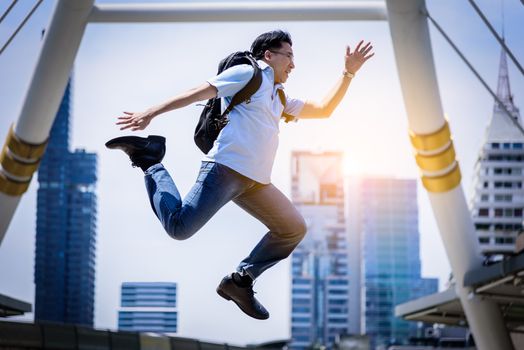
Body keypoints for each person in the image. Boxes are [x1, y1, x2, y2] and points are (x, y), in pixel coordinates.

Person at [106, 30, 373, 320]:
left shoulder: (278, 95)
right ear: (268, 55)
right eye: (289, 56)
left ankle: (240, 281)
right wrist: (151, 112)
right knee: (179, 228)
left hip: (256, 183)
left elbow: (323, 110)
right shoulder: (248, 73)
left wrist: (348, 74)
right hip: (226, 169)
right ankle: (150, 160)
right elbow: (200, 91)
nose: (293, 65)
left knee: (293, 228)